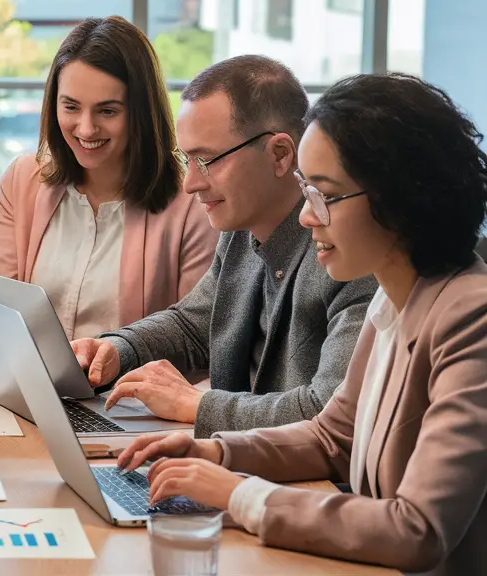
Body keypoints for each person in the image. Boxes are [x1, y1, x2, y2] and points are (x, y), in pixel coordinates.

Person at [116, 73, 487, 574]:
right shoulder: (396, 299)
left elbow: (417, 529)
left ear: (400, 198)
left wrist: (242, 495)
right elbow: (331, 437)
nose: (307, 217)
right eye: (306, 191)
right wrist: (215, 452)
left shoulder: (471, 317)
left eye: (325, 197)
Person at [0, 16, 218, 392]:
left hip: (129, 411)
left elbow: (195, 339)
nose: (86, 128)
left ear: (141, 112)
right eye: (71, 107)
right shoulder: (22, 180)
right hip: (26, 394)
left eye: (108, 111)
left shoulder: (192, 201)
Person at [72, 55, 376, 436]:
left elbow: (329, 411)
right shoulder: (241, 228)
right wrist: (117, 350)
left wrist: (197, 405)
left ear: (281, 154)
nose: (190, 184)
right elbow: (194, 324)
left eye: (208, 160)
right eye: (187, 160)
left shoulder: (353, 250)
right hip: (245, 467)